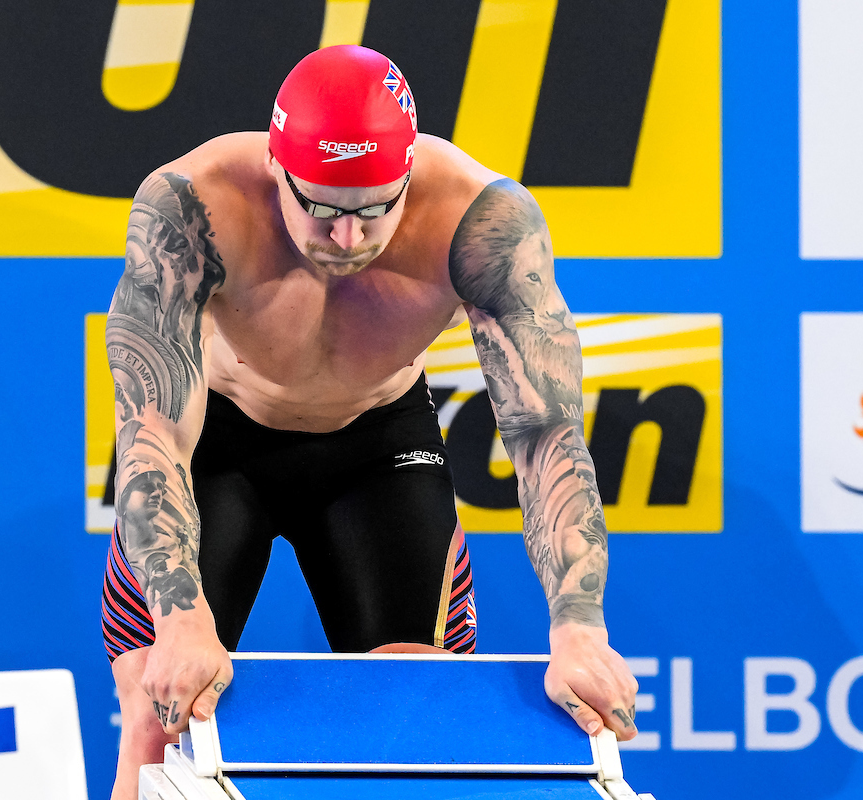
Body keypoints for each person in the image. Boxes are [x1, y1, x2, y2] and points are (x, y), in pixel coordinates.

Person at [101, 45, 638, 799]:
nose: (347, 238)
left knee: (417, 712)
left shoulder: (481, 221)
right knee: (159, 710)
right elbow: (151, 428)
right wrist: (181, 616)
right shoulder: (195, 205)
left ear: (410, 174)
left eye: (374, 209)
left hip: (378, 448)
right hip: (216, 446)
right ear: (275, 168)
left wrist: (579, 623)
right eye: (319, 208)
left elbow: (545, 433)